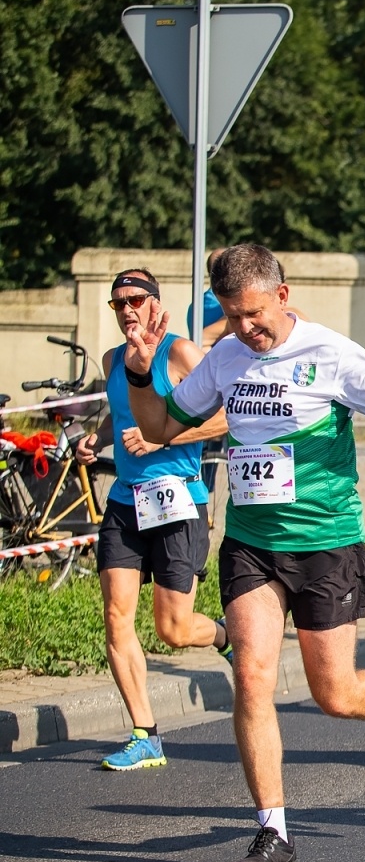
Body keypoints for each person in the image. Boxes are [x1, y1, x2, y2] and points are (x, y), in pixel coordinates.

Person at [124, 243, 365, 862]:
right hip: (252, 543)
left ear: (283, 296)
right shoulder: (226, 357)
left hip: (325, 543)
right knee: (252, 676)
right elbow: (157, 429)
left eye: (254, 314)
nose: (244, 328)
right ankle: (274, 831)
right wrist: (140, 375)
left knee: (335, 693)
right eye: (232, 315)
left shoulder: (331, 353)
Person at [74, 269, 231, 771]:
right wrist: (97, 439)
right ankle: (145, 735)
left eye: (135, 300)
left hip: (177, 499)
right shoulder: (112, 359)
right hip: (125, 501)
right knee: (116, 616)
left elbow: (227, 414)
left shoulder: (181, 353)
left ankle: (226, 636)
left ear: (154, 303)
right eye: (118, 302)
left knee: (174, 629)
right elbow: (121, 414)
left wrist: (163, 436)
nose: (127, 309)